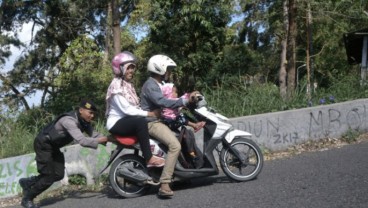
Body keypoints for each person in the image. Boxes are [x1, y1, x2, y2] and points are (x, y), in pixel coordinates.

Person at [18, 100, 109, 208]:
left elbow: (94, 134)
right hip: (43, 145)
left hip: (53, 146)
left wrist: (111, 139)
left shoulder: (84, 122)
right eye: (90, 112)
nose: (92, 116)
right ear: (81, 110)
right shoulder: (69, 121)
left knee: (58, 174)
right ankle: (27, 198)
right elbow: (82, 141)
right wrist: (105, 139)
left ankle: (28, 182)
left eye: (93, 113)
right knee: (48, 177)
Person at [140, 54, 199, 197]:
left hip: (158, 121)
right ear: (160, 69)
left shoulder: (156, 84)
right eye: (168, 69)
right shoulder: (151, 85)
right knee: (175, 146)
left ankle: (180, 176)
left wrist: (187, 97)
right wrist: (183, 102)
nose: (169, 72)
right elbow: (163, 102)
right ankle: (165, 184)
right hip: (152, 123)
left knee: (181, 138)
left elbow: (168, 100)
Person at [105, 51, 164, 168]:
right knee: (141, 122)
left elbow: (136, 106)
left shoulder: (127, 85)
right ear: (119, 69)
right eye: (128, 68)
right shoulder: (116, 86)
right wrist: (150, 113)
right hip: (116, 123)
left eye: (132, 68)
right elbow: (127, 110)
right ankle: (149, 158)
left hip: (127, 121)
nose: (131, 71)